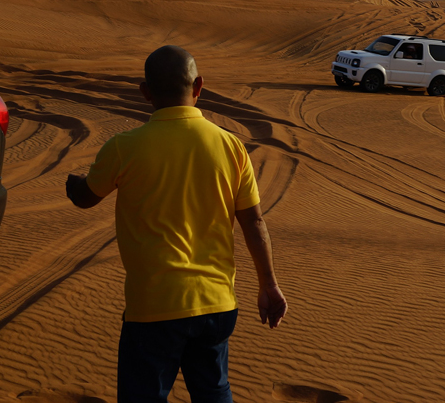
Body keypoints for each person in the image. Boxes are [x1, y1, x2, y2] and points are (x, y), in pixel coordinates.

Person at [66, 45, 287, 403]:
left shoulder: (124, 147)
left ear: (146, 91)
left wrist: (72, 184)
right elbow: (254, 222)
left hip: (154, 308)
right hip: (216, 305)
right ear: (198, 86)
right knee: (215, 394)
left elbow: (86, 197)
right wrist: (269, 284)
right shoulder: (231, 147)